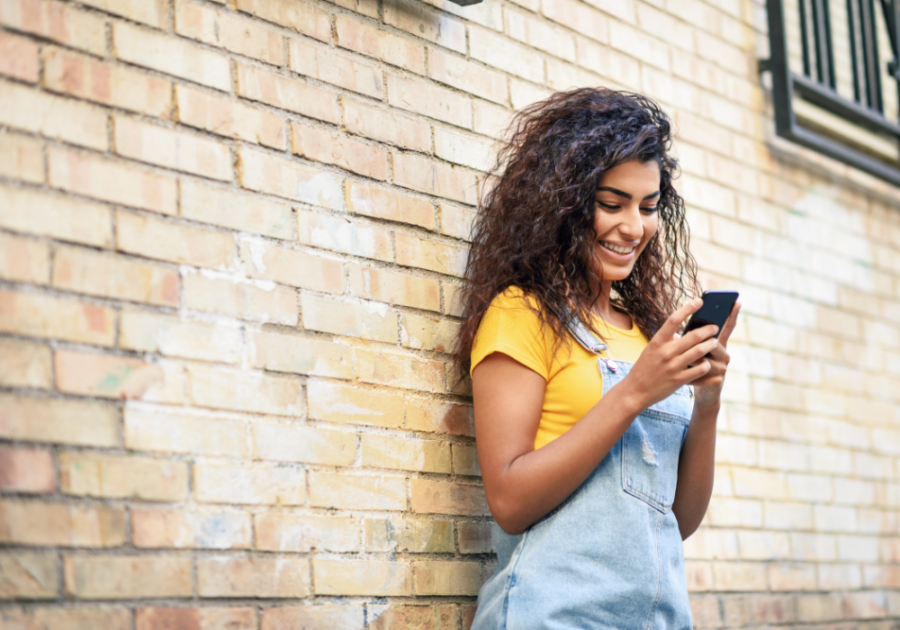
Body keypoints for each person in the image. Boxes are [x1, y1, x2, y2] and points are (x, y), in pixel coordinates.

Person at [452, 88, 741, 629]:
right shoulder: (523, 315)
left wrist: (707, 402)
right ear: (561, 200)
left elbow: (677, 521)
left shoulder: (645, 335)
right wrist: (634, 393)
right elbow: (510, 501)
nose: (634, 227)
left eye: (649, 207)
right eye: (612, 204)